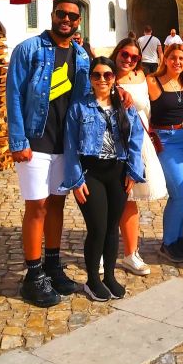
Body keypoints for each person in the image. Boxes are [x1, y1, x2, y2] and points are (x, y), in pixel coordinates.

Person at [6, 0, 90, 307]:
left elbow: (84, 101)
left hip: (64, 143)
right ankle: (32, 275)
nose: (66, 20)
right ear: (52, 15)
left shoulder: (81, 56)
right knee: (37, 206)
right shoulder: (28, 50)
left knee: (57, 204)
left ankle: (52, 265)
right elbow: (13, 94)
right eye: (61, 14)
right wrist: (18, 141)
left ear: (78, 21)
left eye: (72, 15)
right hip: (35, 141)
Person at [60, 57, 145, 301]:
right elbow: (70, 144)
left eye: (107, 75)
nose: (102, 80)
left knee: (111, 228)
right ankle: (92, 280)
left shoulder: (124, 105)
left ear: (114, 78)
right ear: (90, 79)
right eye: (97, 75)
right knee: (97, 227)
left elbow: (136, 139)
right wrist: (75, 181)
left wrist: (132, 171)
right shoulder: (80, 107)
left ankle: (109, 276)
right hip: (91, 173)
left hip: (117, 172)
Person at [111, 37, 168, 276]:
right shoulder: (106, 76)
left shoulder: (142, 77)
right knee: (113, 201)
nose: (129, 60)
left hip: (140, 140)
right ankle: (106, 253)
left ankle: (131, 253)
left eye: (134, 57)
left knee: (130, 197)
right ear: (117, 53)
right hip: (114, 142)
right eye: (125, 55)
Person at [147, 44, 183, 263]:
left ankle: (178, 238)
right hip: (167, 142)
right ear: (165, 59)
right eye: (173, 58)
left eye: (182, 58)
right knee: (178, 193)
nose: (177, 62)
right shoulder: (152, 82)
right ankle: (167, 243)